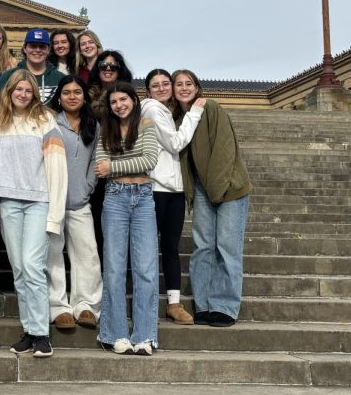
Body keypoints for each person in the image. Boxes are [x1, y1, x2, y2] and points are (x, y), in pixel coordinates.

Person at [0, 70, 67, 358]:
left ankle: (41, 334)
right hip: (9, 202)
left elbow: (58, 166)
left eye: (28, 90)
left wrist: (55, 215)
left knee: (33, 266)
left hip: (38, 201)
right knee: (19, 270)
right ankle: (28, 329)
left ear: (34, 93)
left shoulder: (45, 120)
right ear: (9, 91)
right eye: (18, 90)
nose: (22, 94)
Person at [174, 69, 251, 328]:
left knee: (227, 247)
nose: (184, 88)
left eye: (189, 83)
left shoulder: (212, 108)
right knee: (203, 247)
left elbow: (224, 148)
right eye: (179, 84)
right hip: (202, 189)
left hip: (229, 187)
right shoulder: (179, 118)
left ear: (197, 87)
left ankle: (225, 306)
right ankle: (204, 304)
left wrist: (216, 190)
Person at [95, 81, 160, 355]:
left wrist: (114, 165)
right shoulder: (106, 129)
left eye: (124, 99)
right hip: (115, 198)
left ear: (134, 100)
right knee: (114, 267)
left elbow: (149, 161)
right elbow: (100, 167)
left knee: (145, 268)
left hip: (143, 197)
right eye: (114, 102)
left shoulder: (146, 124)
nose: (119, 105)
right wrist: (110, 168)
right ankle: (115, 333)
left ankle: (145, 335)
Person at [141, 68, 206, 325]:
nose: (161, 88)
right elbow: (176, 144)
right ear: (147, 90)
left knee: (170, 248)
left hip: (174, 190)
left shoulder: (167, 111)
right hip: (157, 189)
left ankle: (174, 304)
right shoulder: (153, 109)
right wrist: (195, 112)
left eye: (165, 83)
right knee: (153, 249)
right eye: (155, 85)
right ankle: (150, 303)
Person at [47, 76, 102, 331]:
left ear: (84, 96)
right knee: (53, 256)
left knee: (87, 254)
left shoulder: (94, 125)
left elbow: (96, 159)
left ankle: (86, 305)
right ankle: (57, 307)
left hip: (80, 201)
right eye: (66, 92)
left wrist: (88, 186)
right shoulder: (50, 123)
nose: (71, 96)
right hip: (53, 201)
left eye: (77, 92)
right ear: (59, 97)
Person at [0, 28, 65, 111]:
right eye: (33, 46)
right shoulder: (8, 76)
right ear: (25, 48)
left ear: (48, 49)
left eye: (42, 46)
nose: (37, 50)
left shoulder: (60, 79)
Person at [87, 50, 133, 120]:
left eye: (113, 66)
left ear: (119, 71)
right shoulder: (86, 94)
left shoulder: (128, 94)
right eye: (103, 65)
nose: (108, 69)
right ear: (97, 69)